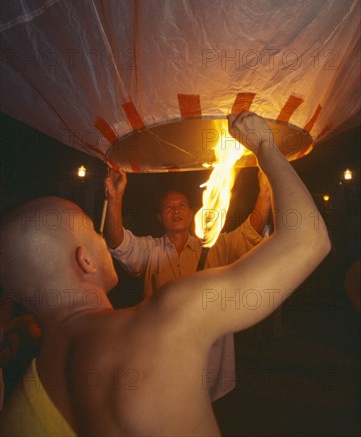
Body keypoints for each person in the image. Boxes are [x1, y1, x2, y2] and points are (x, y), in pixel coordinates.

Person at [0, 112, 331, 436]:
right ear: (84, 261)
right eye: (93, 232)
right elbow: (308, 240)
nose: (104, 239)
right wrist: (264, 146)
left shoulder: (17, 401)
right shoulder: (168, 317)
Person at [105, 150, 272, 400]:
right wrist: (115, 200)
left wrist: (265, 193)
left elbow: (251, 230)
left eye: (181, 205)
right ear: (161, 218)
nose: (176, 210)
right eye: (169, 207)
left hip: (209, 358)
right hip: (160, 354)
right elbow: (118, 243)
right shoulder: (150, 249)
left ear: (192, 211)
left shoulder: (218, 246)